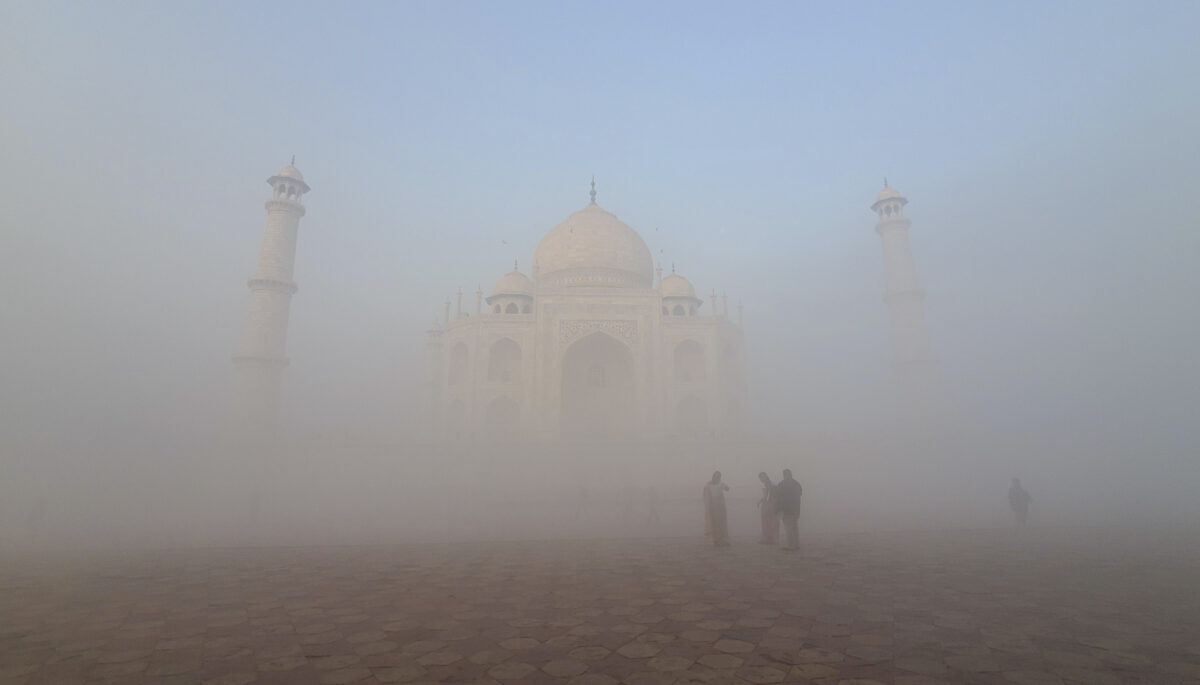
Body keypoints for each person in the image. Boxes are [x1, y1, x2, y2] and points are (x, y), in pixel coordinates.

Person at [774, 469, 802, 551]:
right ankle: (796, 545)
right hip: (795, 509)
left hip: (786, 509)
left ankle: (791, 546)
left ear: (784, 475)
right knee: (795, 527)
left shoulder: (782, 484)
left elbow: (778, 498)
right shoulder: (796, 484)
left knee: (788, 528)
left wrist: (777, 509)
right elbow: (800, 495)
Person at [702, 471, 731, 547]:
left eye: (719, 477)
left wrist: (723, 486)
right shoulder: (708, 485)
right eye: (716, 476)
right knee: (714, 522)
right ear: (713, 476)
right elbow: (705, 494)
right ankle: (716, 540)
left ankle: (721, 539)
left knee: (720, 521)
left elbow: (728, 489)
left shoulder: (720, 484)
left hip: (720, 505)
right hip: (712, 505)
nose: (717, 478)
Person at [757, 472, 779, 544]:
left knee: (767, 521)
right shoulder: (771, 483)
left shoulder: (768, 484)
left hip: (768, 504)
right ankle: (771, 538)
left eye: (761, 478)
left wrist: (760, 501)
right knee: (771, 521)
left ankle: (767, 538)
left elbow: (766, 496)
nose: (761, 480)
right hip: (772, 504)